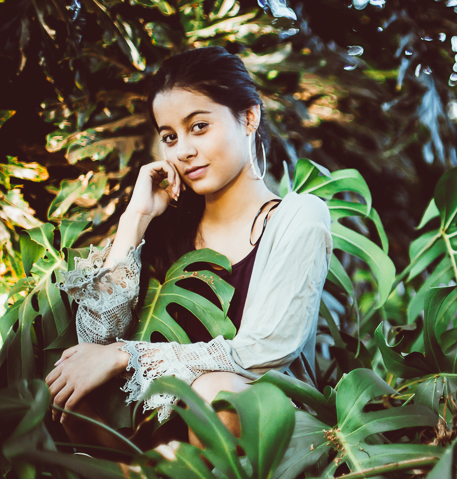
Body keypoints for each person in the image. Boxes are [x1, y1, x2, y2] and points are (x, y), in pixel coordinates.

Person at [47, 46, 333, 450]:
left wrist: (125, 356)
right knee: (70, 390)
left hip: (255, 445)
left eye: (198, 126)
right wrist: (136, 218)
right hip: (149, 440)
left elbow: (261, 351)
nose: (182, 150)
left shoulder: (297, 217)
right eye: (169, 137)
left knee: (219, 392)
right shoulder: (169, 229)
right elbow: (93, 342)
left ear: (249, 117)